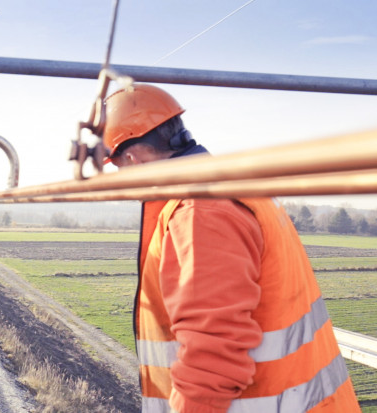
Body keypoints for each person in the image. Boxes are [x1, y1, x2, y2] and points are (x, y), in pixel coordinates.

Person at [102, 84, 360, 413]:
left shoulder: (201, 212)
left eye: (118, 168)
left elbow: (211, 359)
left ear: (132, 158)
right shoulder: (236, 186)